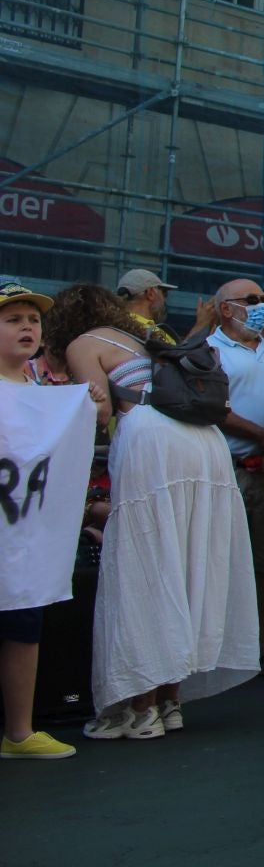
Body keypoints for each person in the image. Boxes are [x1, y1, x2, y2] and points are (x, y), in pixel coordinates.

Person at [45, 285, 258, 740]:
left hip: (151, 440)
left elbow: (99, 410)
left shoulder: (83, 344)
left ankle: (139, 709)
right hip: (203, 444)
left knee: (146, 569)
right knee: (186, 566)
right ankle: (168, 703)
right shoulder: (142, 338)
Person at [0, 280, 80, 759]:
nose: (27, 327)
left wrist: (82, 409)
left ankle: (19, 733)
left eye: (33, 320)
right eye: (13, 320)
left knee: (24, 625)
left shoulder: (43, 392)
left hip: (24, 537)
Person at [207, 278, 264, 677]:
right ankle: (214, 649)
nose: (261, 306)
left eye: (262, 299)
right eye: (251, 300)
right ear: (226, 309)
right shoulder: (210, 349)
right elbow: (214, 407)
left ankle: (258, 645)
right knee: (220, 564)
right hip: (228, 470)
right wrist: (263, 434)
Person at [115, 268, 177, 345]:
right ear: (150, 293)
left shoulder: (108, 326)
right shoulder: (155, 334)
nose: (164, 300)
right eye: (164, 294)